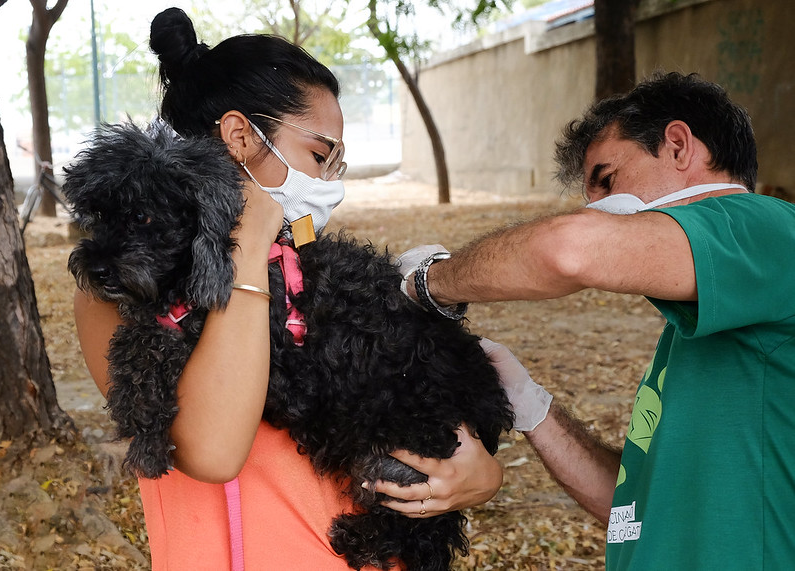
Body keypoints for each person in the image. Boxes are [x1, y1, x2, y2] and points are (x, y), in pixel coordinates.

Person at [72, 8, 501, 570]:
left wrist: (479, 476)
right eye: (321, 156)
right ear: (239, 138)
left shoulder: (315, 269)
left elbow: (416, 397)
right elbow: (213, 449)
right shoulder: (121, 290)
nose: (329, 184)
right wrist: (246, 243)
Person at [379, 71, 795, 569]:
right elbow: (632, 511)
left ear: (680, 146)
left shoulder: (768, 228)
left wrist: (428, 283)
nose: (595, 207)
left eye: (606, 179)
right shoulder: (710, 322)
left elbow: (567, 250)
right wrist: (532, 407)